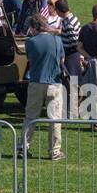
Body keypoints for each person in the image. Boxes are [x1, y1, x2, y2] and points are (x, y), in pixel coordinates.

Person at [22, 15, 65, 161]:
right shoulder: (57, 40)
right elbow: (62, 60)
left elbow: (30, 59)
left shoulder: (30, 42)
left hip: (36, 82)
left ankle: (23, 147)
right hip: (54, 83)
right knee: (54, 119)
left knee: (30, 117)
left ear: (34, 28)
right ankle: (54, 151)